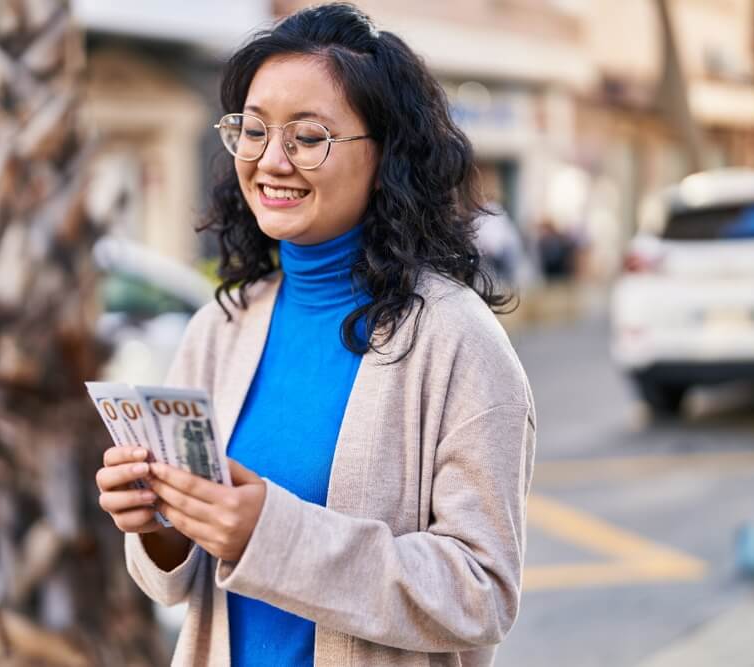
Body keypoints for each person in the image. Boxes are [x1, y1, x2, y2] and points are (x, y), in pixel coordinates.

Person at [94, 4, 536, 666]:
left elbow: (482, 593)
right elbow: (174, 581)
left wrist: (269, 533)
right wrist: (157, 519)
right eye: (253, 129)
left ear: (387, 155)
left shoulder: (457, 338)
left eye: (308, 136)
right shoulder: (221, 326)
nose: (272, 160)